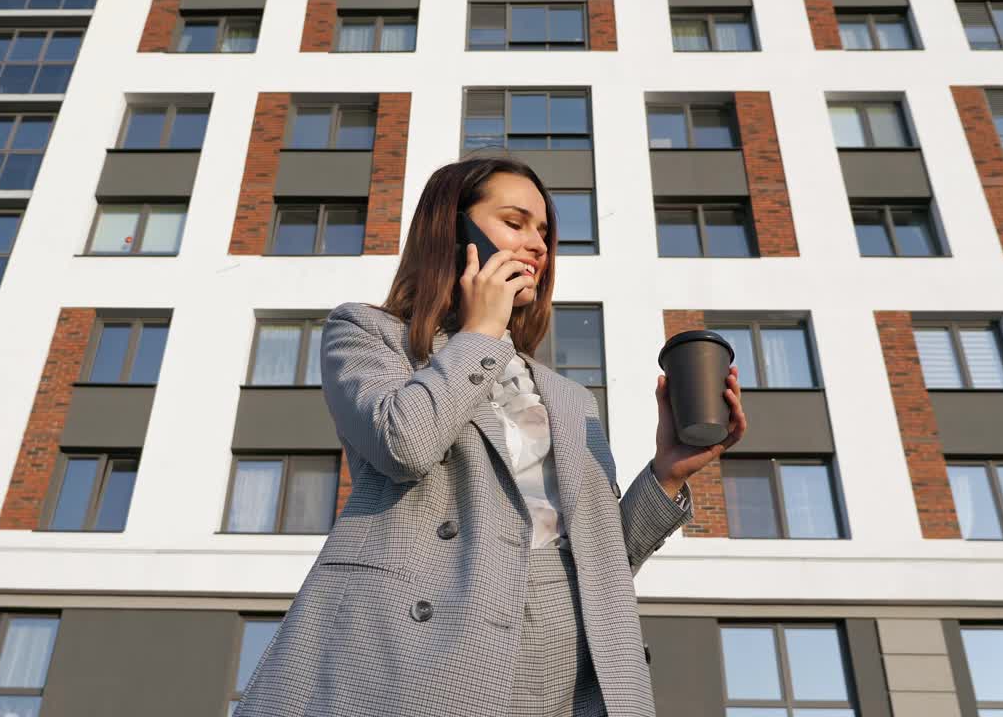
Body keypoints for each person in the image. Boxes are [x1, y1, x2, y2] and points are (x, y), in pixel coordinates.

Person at [232, 156, 746, 717]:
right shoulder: (367, 335)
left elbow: (600, 561)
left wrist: (668, 470)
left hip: (569, 659)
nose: (538, 246)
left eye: (545, 233)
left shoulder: (570, 398)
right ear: (455, 231)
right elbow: (405, 444)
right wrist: (480, 332)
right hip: (428, 644)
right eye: (515, 222)